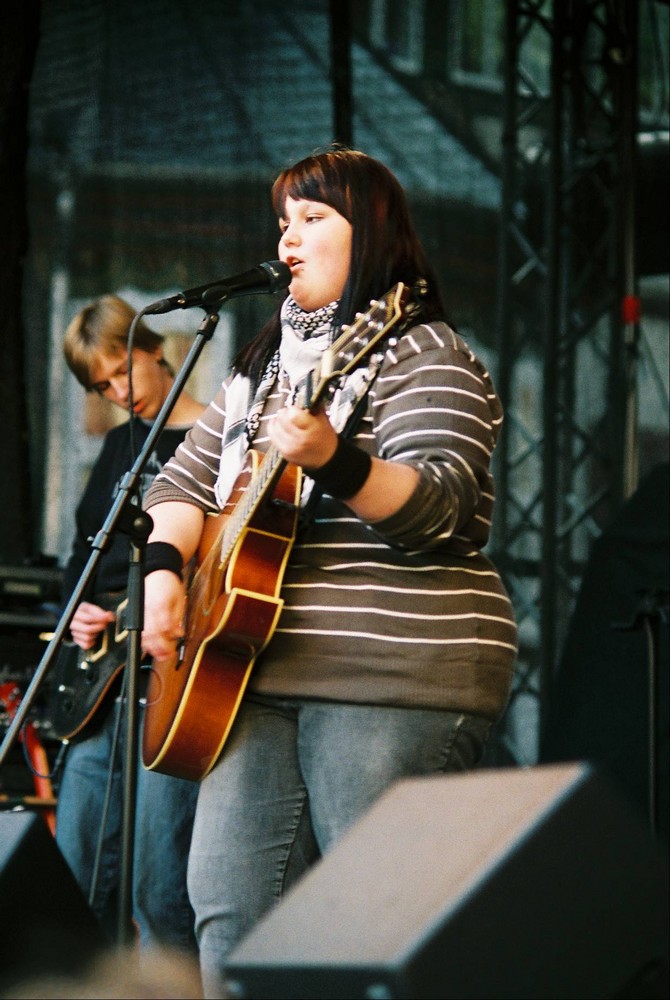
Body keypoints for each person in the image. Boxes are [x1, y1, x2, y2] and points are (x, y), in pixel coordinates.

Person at [140, 146, 518, 996]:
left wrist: (336, 461)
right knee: (229, 914)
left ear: (374, 237)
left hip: (394, 673)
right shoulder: (262, 371)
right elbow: (183, 483)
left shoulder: (426, 352)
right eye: (284, 222)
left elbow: (446, 509)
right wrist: (166, 573)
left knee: (375, 928)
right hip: (249, 672)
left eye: (314, 218)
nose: (288, 239)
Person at [52, 295, 205, 955]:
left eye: (122, 371)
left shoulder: (216, 436)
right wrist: (77, 612)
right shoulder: (118, 446)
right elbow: (82, 560)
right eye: (101, 385)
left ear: (152, 349)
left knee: (161, 894)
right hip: (100, 688)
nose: (118, 392)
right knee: (70, 880)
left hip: (172, 678)